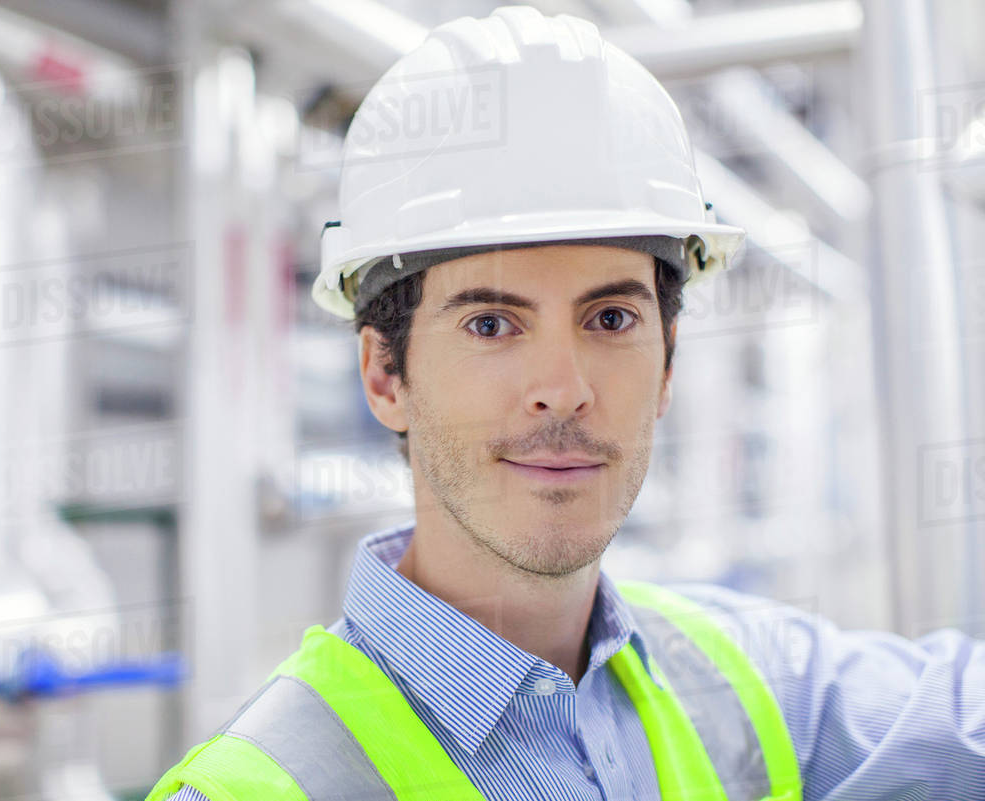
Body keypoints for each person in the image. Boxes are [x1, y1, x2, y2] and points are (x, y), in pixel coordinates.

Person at [148, 6, 985, 800]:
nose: (565, 387)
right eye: (491, 323)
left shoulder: (750, 679)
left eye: (611, 318)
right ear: (384, 376)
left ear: (668, 363)